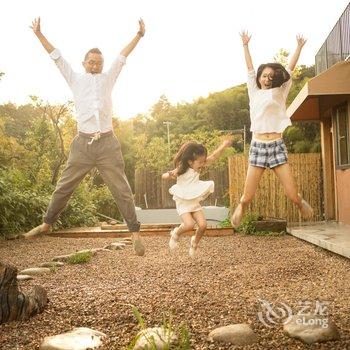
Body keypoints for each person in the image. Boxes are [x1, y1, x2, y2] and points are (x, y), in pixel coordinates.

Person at [24, 17, 146, 256]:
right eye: (91, 62)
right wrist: (39, 34)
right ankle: (47, 223)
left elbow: (122, 57)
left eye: (98, 63)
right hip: (82, 145)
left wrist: (139, 36)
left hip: (107, 145)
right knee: (64, 186)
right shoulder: (75, 78)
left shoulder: (107, 78)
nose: (94, 66)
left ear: (102, 64)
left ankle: (135, 234)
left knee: (121, 190)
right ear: (84, 63)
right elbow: (57, 57)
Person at [230, 31, 314, 228]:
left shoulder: (281, 91)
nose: (267, 79)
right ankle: (241, 207)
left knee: (292, 195)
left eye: (271, 76)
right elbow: (250, 69)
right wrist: (245, 46)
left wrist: (299, 48)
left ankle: (299, 203)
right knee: (247, 197)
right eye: (264, 76)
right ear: (259, 78)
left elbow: (290, 69)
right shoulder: (254, 91)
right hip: (258, 146)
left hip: (276, 145)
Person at [162, 139, 232, 257]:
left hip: (194, 200)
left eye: (203, 161)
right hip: (183, 201)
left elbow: (214, 157)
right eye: (200, 162)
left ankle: (194, 242)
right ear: (190, 162)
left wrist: (223, 145)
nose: (202, 164)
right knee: (189, 224)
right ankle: (175, 234)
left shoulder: (198, 165)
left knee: (203, 225)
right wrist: (170, 174)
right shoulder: (181, 169)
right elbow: (163, 176)